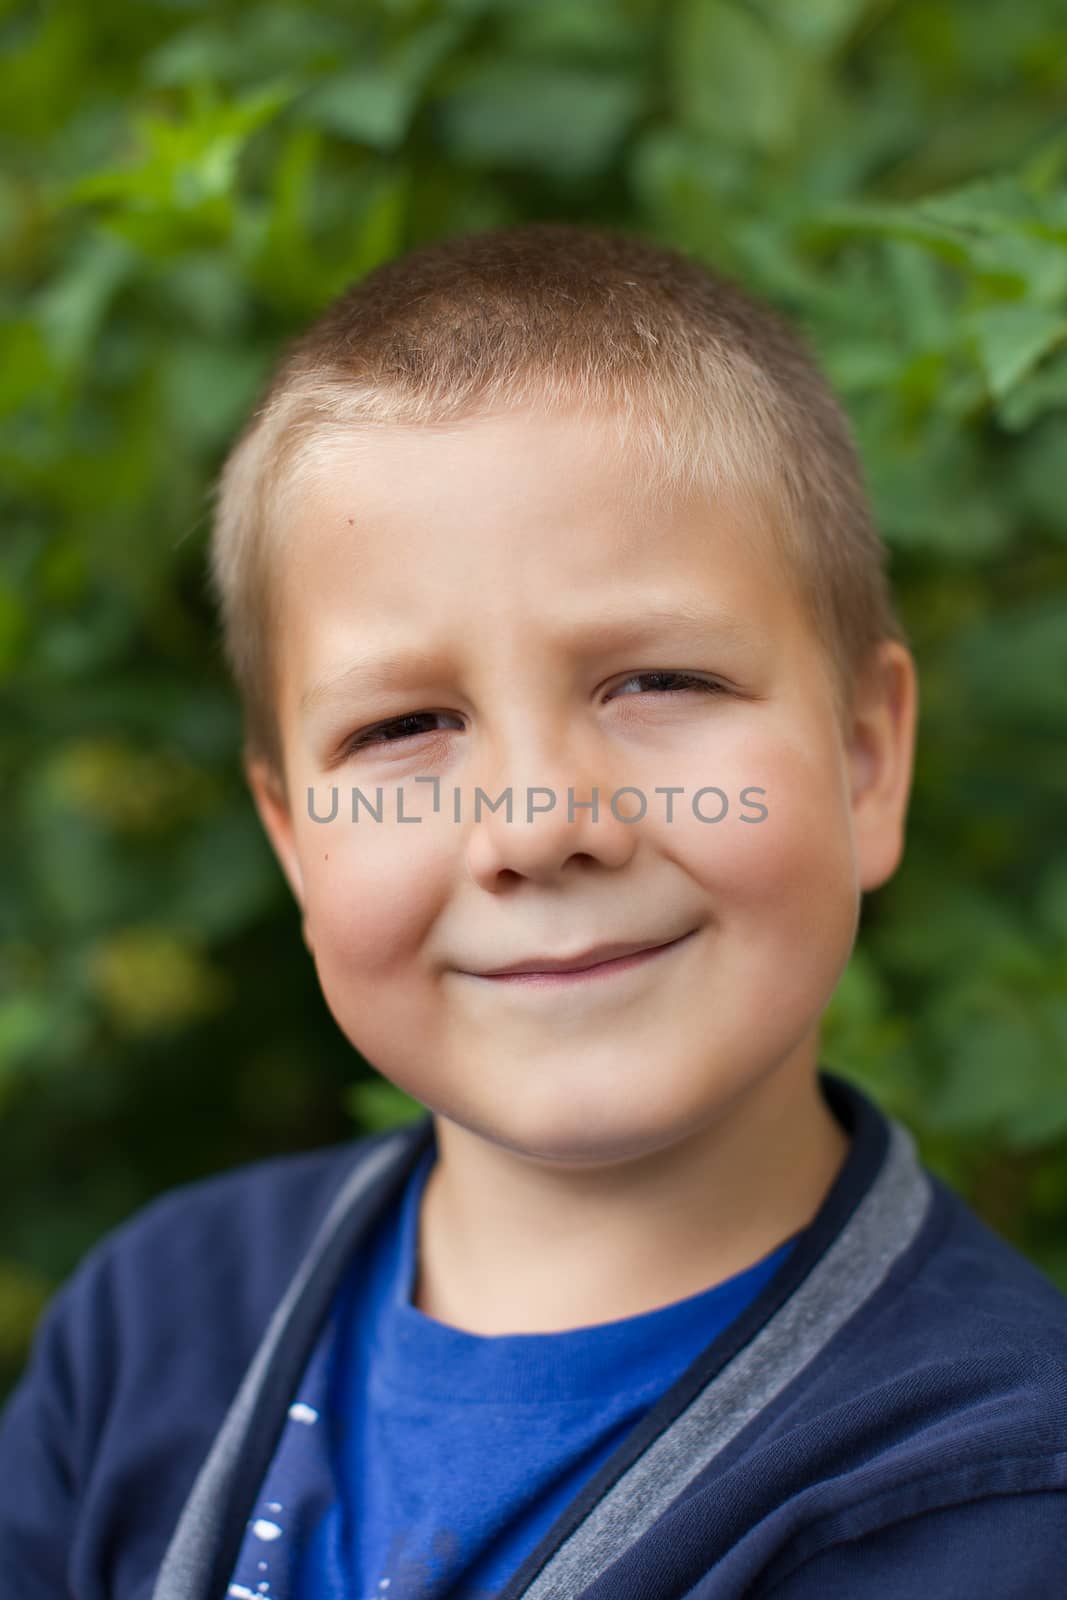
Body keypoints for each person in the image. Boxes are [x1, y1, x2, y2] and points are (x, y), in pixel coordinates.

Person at [2, 222, 1066, 1600]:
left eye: (659, 683)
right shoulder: (158, 1325)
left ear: (867, 758)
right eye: (403, 726)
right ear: (291, 835)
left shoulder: (987, 1499)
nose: (540, 827)